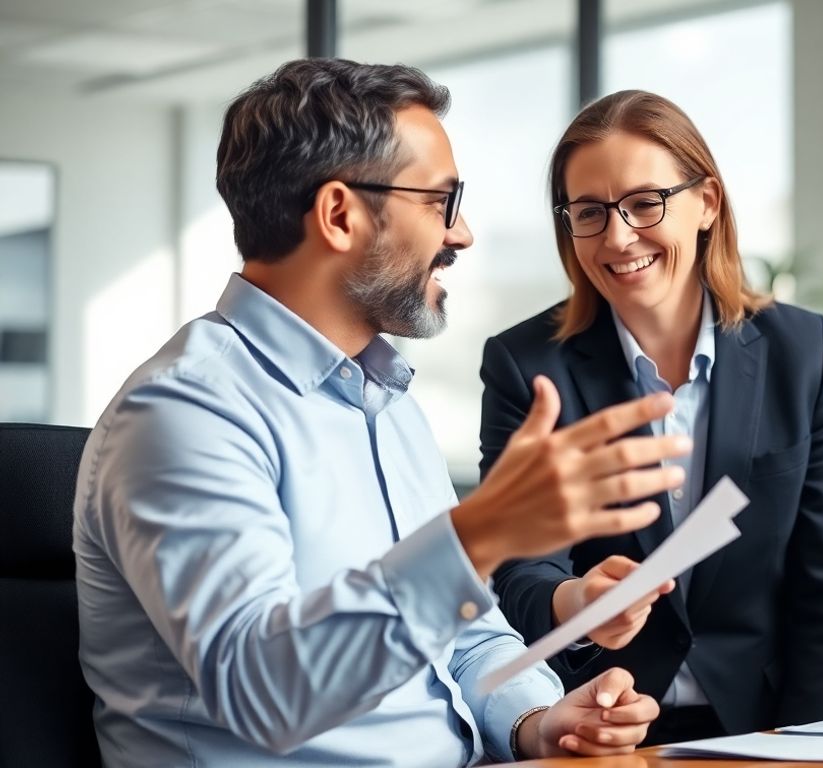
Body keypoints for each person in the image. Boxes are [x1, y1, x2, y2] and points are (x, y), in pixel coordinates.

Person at [73, 59, 690, 767]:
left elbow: (467, 640)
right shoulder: (185, 412)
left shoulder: (387, 405)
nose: (462, 236)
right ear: (340, 214)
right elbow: (264, 689)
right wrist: (480, 533)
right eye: (440, 203)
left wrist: (539, 721)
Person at [481, 90, 823, 745]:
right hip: (599, 723)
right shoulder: (526, 365)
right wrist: (575, 598)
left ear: (706, 204)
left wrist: (809, 751)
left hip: (765, 729)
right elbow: (518, 568)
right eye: (590, 213)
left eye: (643, 203)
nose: (617, 236)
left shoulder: (799, 351)